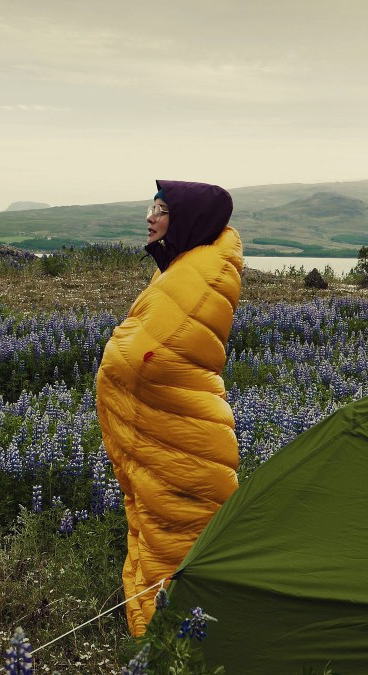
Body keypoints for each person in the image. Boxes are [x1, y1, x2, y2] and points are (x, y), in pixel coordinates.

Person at [95, 179, 243, 636]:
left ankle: (166, 649)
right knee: (149, 537)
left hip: (186, 441)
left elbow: (151, 357)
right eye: (151, 206)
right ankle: (152, 646)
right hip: (165, 436)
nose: (149, 216)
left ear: (186, 221)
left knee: (177, 549)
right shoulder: (180, 268)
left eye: (160, 209)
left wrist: (116, 360)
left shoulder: (201, 275)